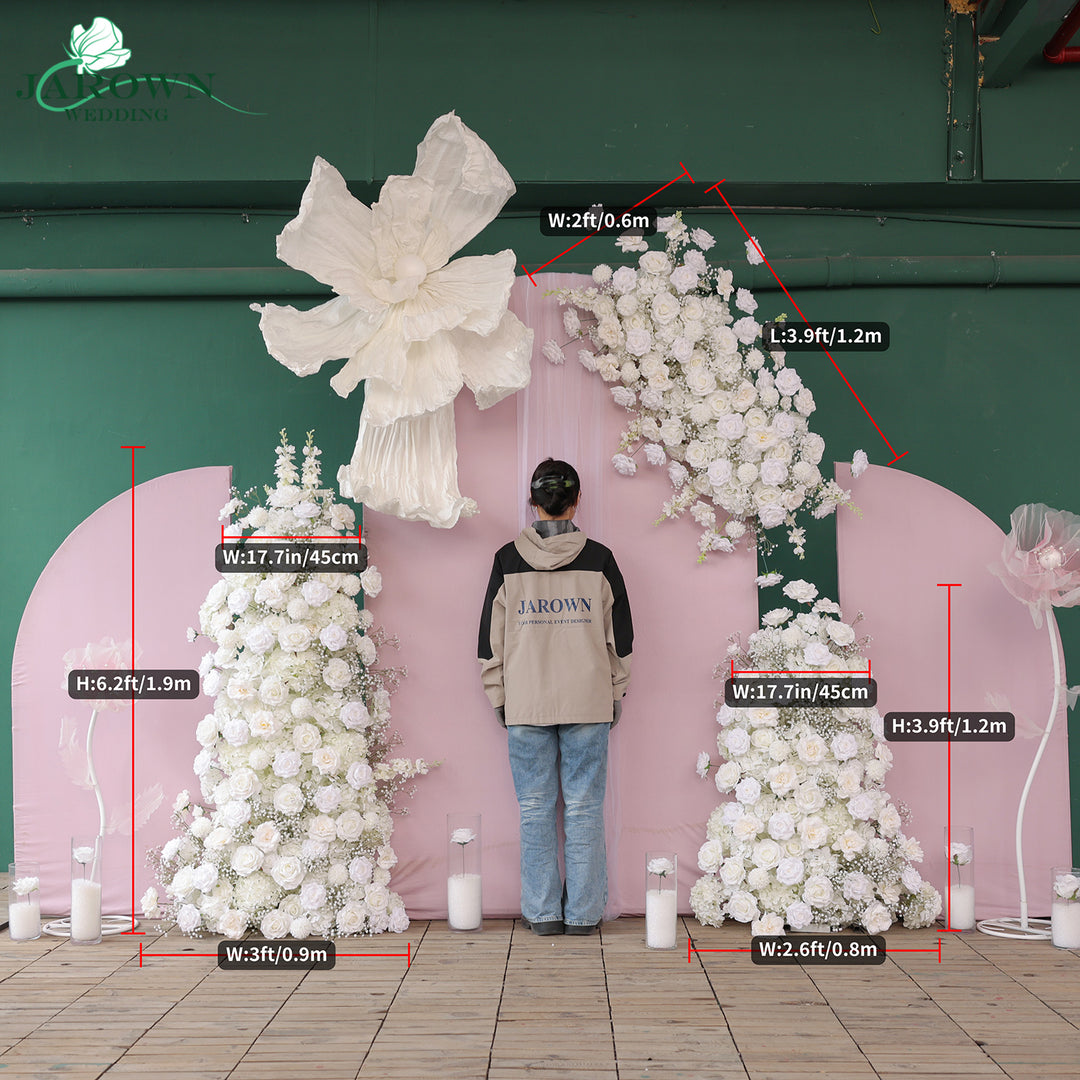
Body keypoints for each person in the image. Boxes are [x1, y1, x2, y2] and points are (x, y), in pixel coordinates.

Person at [478, 458, 633, 936]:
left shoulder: (507, 559)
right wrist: (615, 691)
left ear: (533, 502)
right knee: (585, 809)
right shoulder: (601, 559)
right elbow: (621, 639)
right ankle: (584, 916)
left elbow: (489, 641)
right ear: (577, 499)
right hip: (588, 701)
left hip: (525, 701)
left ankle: (543, 914)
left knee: (534, 808)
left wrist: (499, 696)